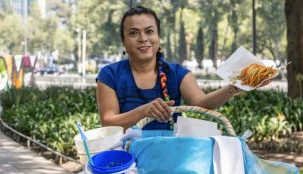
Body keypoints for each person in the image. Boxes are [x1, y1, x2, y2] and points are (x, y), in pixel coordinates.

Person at [96, 6, 266, 131]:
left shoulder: (177, 73)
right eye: (133, 33)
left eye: (149, 31)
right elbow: (108, 122)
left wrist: (235, 87)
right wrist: (144, 111)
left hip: (173, 154)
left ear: (158, 37)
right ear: (123, 41)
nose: (143, 38)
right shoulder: (109, 75)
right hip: (126, 158)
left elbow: (201, 104)